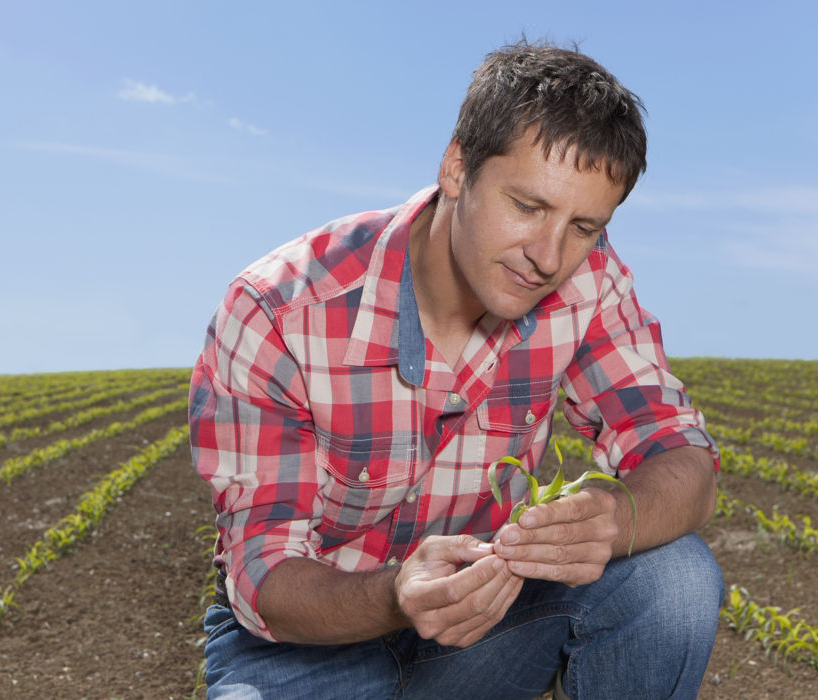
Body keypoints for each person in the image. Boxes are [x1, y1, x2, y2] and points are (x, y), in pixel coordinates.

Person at [188, 40, 724, 699]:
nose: (549, 256)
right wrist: (398, 592)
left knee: (674, 580)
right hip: (309, 641)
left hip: (488, 613)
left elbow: (681, 453)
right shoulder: (277, 310)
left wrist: (617, 518)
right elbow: (265, 578)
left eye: (584, 225)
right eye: (527, 207)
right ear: (456, 167)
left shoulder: (587, 278)